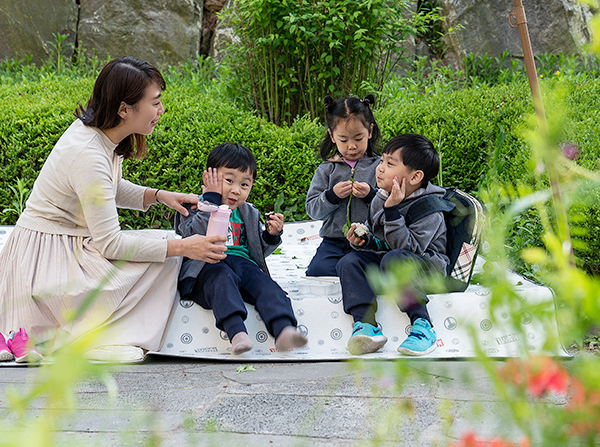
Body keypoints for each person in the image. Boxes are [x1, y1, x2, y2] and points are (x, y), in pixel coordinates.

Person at [0, 57, 226, 362]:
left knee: (164, 247)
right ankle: (100, 338)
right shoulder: (89, 153)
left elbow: (107, 188)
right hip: (47, 262)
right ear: (124, 109)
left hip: (59, 246)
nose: (161, 110)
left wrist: (159, 195)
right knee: (167, 257)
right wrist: (184, 247)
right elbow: (111, 243)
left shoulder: (99, 135)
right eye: (155, 103)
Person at [175, 142, 308, 355]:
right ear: (209, 178)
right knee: (222, 278)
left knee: (265, 284)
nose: (236, 190)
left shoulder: (249, 213)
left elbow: (257, 250)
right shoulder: (193, 205)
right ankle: (237, 333)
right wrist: (211, 202)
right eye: (229, 181)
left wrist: (270, 235)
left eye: (245, 185)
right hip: (208, 266)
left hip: (243, 264)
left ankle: (284, 330)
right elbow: (191, 235)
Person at [338, 133, 448, 357]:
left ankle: (422, 325)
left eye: (390, 164)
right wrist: (364, 240)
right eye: (381, 161)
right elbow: (381, 239)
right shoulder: (381, 196)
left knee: (395, 258)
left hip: (425, 267)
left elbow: (408, 250)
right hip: (391, 260)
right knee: (349, 261)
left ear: (416, 176)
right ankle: (366, 326)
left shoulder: (430, 208)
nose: (380, 168)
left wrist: (392, 210)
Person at [305, 95, 381, 277]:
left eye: (358, 138)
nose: (352, 146)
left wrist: (371, 195)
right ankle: (351, 271)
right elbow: (312, 209)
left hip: (368, 242)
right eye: (344, 140)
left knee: (375, 268)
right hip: (334, 242)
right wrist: (332, 196)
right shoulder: (327, 169)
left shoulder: (380, 166)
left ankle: (353, 270)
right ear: (332, 136)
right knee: (317, 270)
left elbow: (390, 204)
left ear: (370, 131)